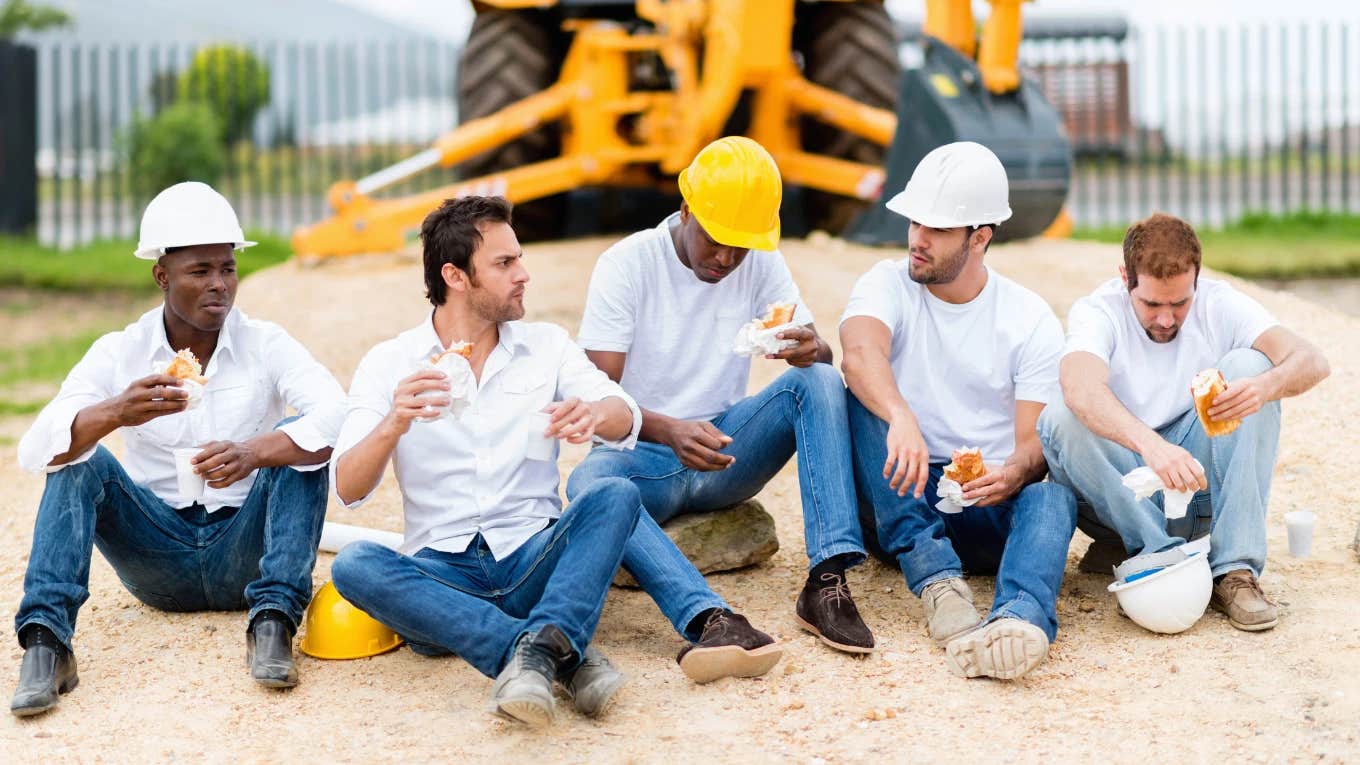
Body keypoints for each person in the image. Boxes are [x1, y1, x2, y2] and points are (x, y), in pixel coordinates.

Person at [12, 182, 346, 716]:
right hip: (157, 555)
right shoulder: (120, 352)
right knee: (79, 460)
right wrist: (114, 412)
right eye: (200, 271)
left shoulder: (267, 344)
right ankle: (46, 647)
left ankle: (274, 623)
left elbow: (338, 415)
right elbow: (34, 450)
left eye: (228, 269)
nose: (220, 285)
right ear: (161, 276)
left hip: (246, 550)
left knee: (300, 439)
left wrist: (257, 451)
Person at [329, 195, 648, 727]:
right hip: (442, 572)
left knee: (616, 494)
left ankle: (529, 655)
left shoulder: (548, 345)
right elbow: (348, 488)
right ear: (455, 275)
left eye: (518, 258)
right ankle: (555, 653)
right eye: (504, 263)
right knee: (354, 564)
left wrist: (593, 413)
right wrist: (393, 422)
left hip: (532, 560)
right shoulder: (389, 363)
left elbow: (625, 414)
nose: (523, 274)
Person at [567, 136, 875, 655]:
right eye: (716, 239)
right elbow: (596, 403)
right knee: (587, 480)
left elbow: (818, 358)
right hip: (642, 457)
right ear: (686, 210)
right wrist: (669, 430)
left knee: (820, 381)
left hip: (725, 452)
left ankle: (827, 582)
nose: (727, 257)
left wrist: (813, 349)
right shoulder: (627, 264)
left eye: (742, 244)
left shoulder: (758, 259)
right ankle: (709, 618)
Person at [840, 142, 1077, 680]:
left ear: (981, 238)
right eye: (915, 222)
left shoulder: (1027, 318)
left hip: (988, 505)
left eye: (939, 229)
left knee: (1051, 496)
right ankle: (936, 580)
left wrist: (1014, 472)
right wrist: (901, 416)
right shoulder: (886, 281)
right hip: (902, 493)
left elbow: (1031, 442)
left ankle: (1018, 621)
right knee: (854, 390)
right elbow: (858, 353)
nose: (918, 240)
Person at [1038, 212, 1330, 631]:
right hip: (1122, 491)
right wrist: (1150, 446)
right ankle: (1155, 556)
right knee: (1061, 417)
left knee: (1251, 365)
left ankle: (1234, 571)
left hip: (1196, 488)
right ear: (1126, 278)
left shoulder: (1219, 301)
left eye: (1180, 303)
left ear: (1197, 278)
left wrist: (1265, 386)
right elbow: (1079, 388)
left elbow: (1312, 361)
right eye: (1152, 303)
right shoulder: (1097, 310)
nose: (1166, 318)